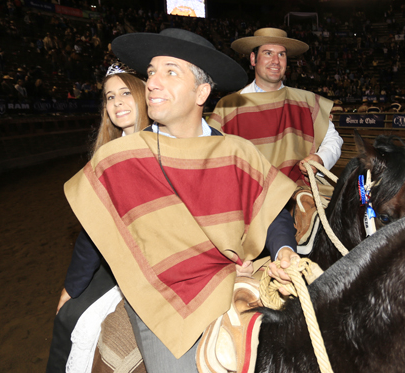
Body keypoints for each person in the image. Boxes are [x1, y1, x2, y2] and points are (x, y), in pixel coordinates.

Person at [63, 28, 298, 373]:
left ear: (202, 92)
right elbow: (96, 231)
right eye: (152, 72)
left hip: (231, 278)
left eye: (170, 72)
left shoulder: (236, 152)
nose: (154, 83)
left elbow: (271, 210)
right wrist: (70, 290)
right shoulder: (120, 159)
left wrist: (284, 251)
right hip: (161, 299)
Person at [46, 63, 152, 373]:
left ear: (144, 95)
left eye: (125, 93)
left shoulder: (163, 145)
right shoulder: (106, 152)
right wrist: (72, 287)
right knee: (68, 316)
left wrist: (72, 287)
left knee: (71, 313)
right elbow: (93, 230)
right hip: (116, 260)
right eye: (109, 97)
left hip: (152, 263)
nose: (117, 103)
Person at [207, 28, 343, 185]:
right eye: (268, 53)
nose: (276, 61)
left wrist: (321, 158)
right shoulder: (229, 106)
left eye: (281, 54)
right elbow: (210, 152)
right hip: (246, 196)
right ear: (253, 59)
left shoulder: (306, 101)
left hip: (296, 192)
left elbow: (333, 139)